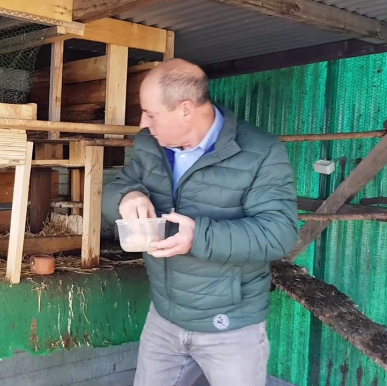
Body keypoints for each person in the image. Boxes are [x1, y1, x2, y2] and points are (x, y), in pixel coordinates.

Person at [101, 58, 299, 386]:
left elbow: (279, 233)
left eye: (151, 113)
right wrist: (127, 197)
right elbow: (117, 186)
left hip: (230, 328)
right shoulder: (151, 145)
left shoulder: (260, 152)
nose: (143, 122)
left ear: (185, 109)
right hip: (164, 317)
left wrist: (199, 237)